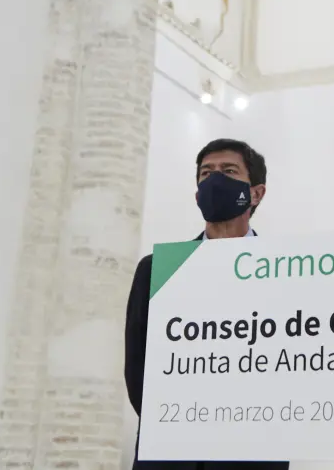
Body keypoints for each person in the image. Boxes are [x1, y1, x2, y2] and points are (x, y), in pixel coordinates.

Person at [123, 138, 287, 470]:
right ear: (198, 193)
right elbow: (138, 368)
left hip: (252, 455)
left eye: (229, 171)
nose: (215, 180)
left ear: (256, 193)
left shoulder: (285, 272)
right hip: (170, 455)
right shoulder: (157, 269)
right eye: (206, 173)